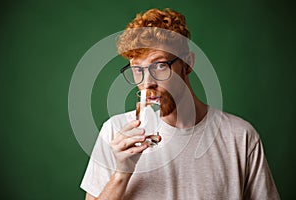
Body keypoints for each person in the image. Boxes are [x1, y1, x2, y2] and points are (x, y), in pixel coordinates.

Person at [80, 8, 280, 200]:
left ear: (187, 64)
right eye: (137, 70)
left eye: (159, 66)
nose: (147, 83)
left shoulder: (240, 137)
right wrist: (122, 173)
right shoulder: (115, 133)